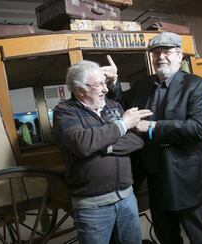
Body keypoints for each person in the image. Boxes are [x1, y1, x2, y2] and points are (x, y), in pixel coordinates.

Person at [103, 32, 202, 244]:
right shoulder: (142, 85)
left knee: (197, 235)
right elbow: (121, 104)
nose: (161, 57)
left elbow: (200, 127)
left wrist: (152, 127)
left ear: (179, 56)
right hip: (155, 176)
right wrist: (115, 82)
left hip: (185, 177)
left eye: (167, 52)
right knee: (165, 234)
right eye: (156, 53)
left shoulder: (196, 85)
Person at [53, 60, 152, 244]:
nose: (105, 89)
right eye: (99, 84)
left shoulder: (113, 106)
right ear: (79, 89)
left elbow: (136, 141)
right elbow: (83, 143)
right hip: (92, 207)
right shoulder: (64, 112)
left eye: (104, 83)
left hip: (127, 198)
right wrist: (122, 125)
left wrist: (104, 145)